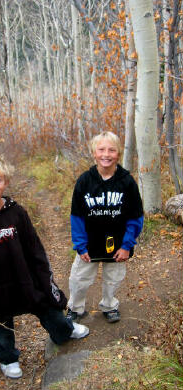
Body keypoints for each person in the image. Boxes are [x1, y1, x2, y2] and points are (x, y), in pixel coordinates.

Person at [0, 155, 89, 379]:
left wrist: (44, 278)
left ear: (6, 182)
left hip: (26, 279)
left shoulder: (17, 213)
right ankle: (7, 358)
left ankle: (64, 332)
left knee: (48, 307)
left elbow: (34, 249)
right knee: (0, 323)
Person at [66, 131, 144, 324]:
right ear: (94, 152)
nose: (106, 154)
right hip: (89, 244)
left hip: (117, 245)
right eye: (101, 149)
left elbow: (135, 218)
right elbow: (76, 217)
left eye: (111, 150)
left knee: (113, 278)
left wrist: (127, 245)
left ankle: (109, 305)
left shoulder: (127, 182)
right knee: (79, 278)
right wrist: (80, 245)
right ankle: (75, 307)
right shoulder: (85, 181)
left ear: (118, 153)